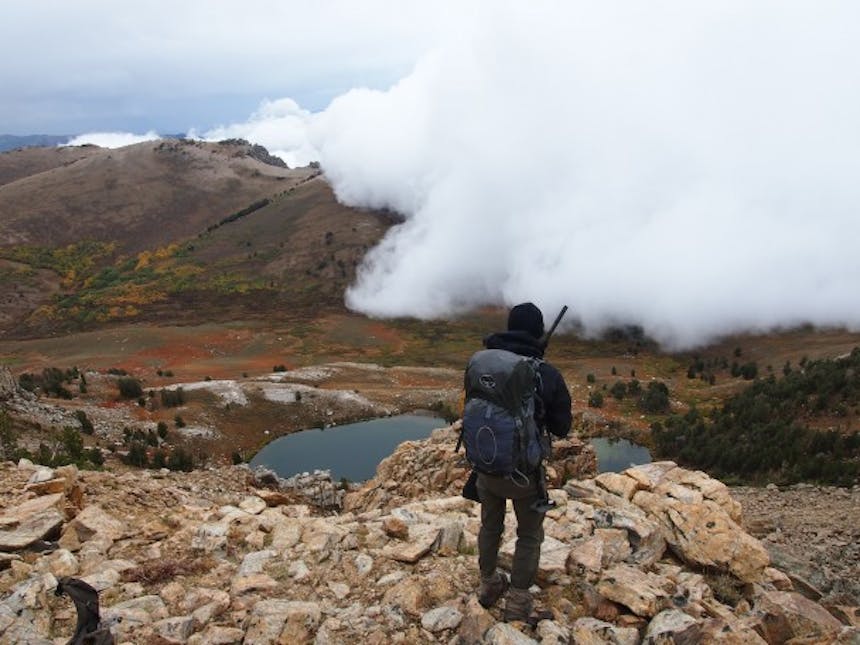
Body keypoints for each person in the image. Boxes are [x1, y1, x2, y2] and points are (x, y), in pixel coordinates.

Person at [475, 302, 572, 622]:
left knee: (490, 525)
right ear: (538, 332)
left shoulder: (482, 363)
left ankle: (488, 584)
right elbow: (561, 427)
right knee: (529, 536)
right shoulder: (545, 373)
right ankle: (517, 603)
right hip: (523, 476)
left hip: (485, 466)